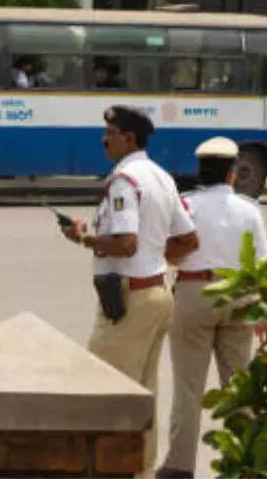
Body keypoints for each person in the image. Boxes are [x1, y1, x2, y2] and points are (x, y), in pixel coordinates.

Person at [59, 106, 198, 471]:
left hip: (129, 301)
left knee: (101, 395)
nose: (104, 139)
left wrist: (85, 238)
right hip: (155, 294)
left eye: (111, 132)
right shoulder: (161, 176)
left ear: (129, 138)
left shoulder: (124, 180)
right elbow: (188, 240)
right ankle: (140, 471)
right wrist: (153, 263)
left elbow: (125, 243)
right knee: (142, 397)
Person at [158, 137, 267, 479]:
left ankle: (179, 465)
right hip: (239, 294)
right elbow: (263, 263)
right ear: (232, 174)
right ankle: (243, 461)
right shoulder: (249, 209)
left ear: (200, 171)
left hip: (193, 292)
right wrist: (264, 309)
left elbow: (169, 252)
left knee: (188, 386)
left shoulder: (185, 204)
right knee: (238, 384)